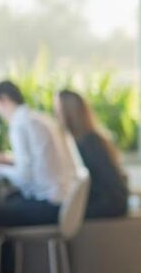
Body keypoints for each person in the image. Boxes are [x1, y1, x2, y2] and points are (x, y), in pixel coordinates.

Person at [0, 81, 77, 273]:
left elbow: (25, 177)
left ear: (3, 101)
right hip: (63, 203)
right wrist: (4, 160)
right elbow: (35, 164)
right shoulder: (39, 119)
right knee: (8, 202)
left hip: (49, 205)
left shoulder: (19, 124)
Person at [55, 89, 129, 219]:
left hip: (109, 205)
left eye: (57, 109)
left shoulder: (88, 142)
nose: (55, 115)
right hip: (111, 202)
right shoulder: (90, 138)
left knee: (57, 211)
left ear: (68, 112)